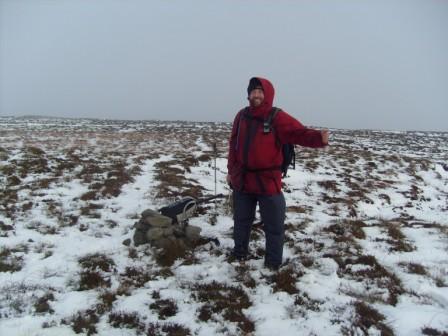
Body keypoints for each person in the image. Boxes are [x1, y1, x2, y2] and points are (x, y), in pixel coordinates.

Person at [227, 77, 329, 270]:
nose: (256, 94)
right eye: (253, 91)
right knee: (241, 221)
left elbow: (298, 133)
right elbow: (234, 145)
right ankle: (239, 253)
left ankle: (273, 263)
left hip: (268, 181)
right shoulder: (241, 116)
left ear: (267, 94)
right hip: (243, 179)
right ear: (248, 94)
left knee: (274, 225)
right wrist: (231, 171)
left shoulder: (276, 116)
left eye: (260, 91)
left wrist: (318, 138)